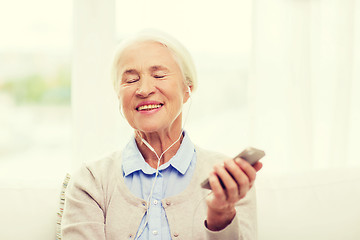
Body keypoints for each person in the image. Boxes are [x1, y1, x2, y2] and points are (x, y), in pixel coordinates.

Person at [61, 30, 263, 240]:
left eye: (159, 75)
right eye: (130, 80)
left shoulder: (230, 180)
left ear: (187, 89)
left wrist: (221, 217)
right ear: (118, 95)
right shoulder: (91, 181)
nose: (144, 89)